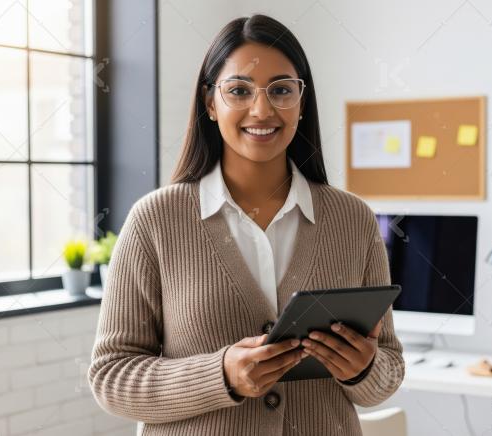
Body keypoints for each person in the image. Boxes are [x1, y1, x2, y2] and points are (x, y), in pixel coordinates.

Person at [88, 14, 404, 436]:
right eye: (239, 90)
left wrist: (363, 369)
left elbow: (389, 368)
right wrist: (220, 375)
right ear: (209, 103)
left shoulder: (353, 219)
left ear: (301, 102)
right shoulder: (156, 221)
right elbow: (112, 377)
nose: (262, 109)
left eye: (281, 90)